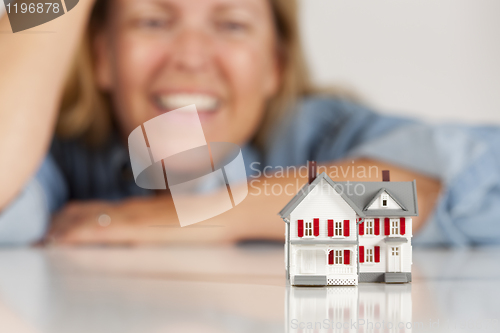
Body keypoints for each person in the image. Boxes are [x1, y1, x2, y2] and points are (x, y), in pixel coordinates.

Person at [0, 0, 497, 247]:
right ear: (101, 57)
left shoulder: (318, 134)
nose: (191, 58)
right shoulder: (58, 154)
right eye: (152, 21)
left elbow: (451, 189)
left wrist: (188, 220)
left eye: (231, 24)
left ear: (274, 67)